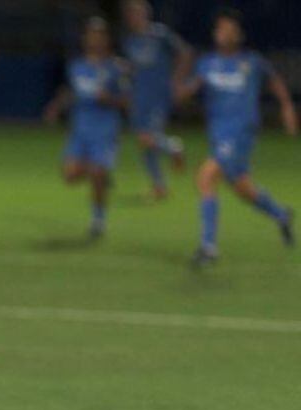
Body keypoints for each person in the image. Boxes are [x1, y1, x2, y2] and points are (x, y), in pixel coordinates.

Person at [174, 9, 296, 267]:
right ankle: (281, 215)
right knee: (243, 188)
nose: (224, 33)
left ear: (238, 34)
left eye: (229, 29)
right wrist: (180, 86)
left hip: (241, 131)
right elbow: (188, 92)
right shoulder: (207, 64)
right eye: (220, 29)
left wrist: (286, 107)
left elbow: (275, 83)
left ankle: (208, 247)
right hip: (218, 134)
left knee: (206, 176)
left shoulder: (251, 62)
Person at [43, 17, 129, 238]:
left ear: (107, 39)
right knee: (69, 175)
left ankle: (98, 218)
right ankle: (100, 175)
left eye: (99, 35)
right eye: (91, 35)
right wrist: (56, 106)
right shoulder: (77, 66)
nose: (95, 39)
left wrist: (109, 98)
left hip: (105, 128)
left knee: (98, 172)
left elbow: (128, 101)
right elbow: (71, 92)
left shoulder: (117, 67)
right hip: (80, 127)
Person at [122, 0, 193, 199]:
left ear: (146, 14)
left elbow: (185, 53)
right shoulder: (130, 41)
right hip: (138, 97)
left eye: (136, 13)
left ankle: (173, 147)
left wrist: (177, 81)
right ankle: (159, 186)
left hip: (158, 96)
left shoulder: (160, 35)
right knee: (145, 143)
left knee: (146, 136)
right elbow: (133, 70)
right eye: (130, 14)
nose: (133, 17)